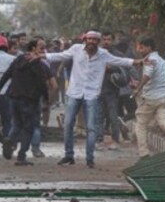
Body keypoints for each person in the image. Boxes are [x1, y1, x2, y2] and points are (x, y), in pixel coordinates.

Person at [45, 30, 145, 168]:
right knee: (68, 124)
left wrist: (138, 61)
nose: (91, 42)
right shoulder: (76, 49)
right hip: (74, 92)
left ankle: (90, 158)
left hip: (92, 94)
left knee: (91, 127)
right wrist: (42, 56)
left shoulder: (103, 54)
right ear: (85, 40)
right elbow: (59, 56)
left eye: (94, 40)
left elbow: (120, 61)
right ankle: (69, 155)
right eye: (89, 39)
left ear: (98, 42)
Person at [0, 38, 53, 165]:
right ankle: (21, 156)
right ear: (33, 49)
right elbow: (42, 83)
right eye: (41, 48)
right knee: (28, 129)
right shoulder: (37, 64)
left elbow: (7, 74)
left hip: (14, 98)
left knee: (17, 124)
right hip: (29, 100)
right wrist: (46, 99)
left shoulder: (18, 59)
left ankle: (9, 139)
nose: (44, 51)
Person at [131, 37, 165, 157]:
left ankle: (144, 153)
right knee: (163, 122)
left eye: (142, 47)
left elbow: (147, 75)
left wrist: (138, 89)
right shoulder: (162, 61)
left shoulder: (150, 59)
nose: (139, 50)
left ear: (149, 48)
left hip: (151, 98)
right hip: (164, 97)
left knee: (141, 124)